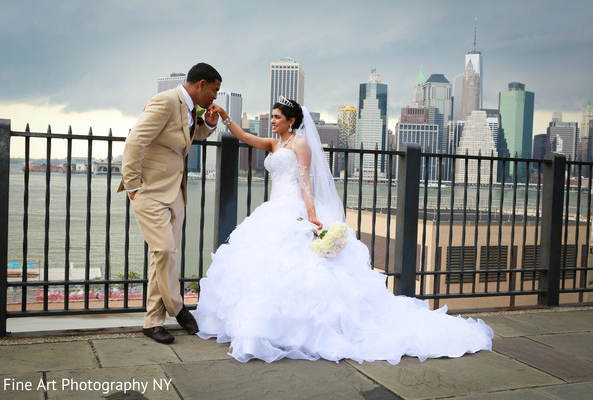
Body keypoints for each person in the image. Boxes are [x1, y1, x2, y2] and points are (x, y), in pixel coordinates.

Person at [194, 97, 494, 364]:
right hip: (273, 210)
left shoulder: (300, 144)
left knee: (299, 270)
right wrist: (224, 116)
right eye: (271, 117)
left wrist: (312, 218)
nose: (272, 121)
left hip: (295, 210)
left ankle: (290, 330)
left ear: (292, 121)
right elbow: (245, 136)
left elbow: (305, 183)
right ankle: (262, 326)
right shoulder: (275, 143)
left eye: (277, 117)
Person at [118, 62, 222, 344]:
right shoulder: (164, 102)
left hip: (175, 192)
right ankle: (178, 307)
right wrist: (133, 185)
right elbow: (135, 142)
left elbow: (186, 138)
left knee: (162, 256)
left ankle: (152, 322)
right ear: (200, 84)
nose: (214, 97)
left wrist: (208, 126)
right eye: (214, 91)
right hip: (149, 191)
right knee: (164, 250)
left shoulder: (191, 110)